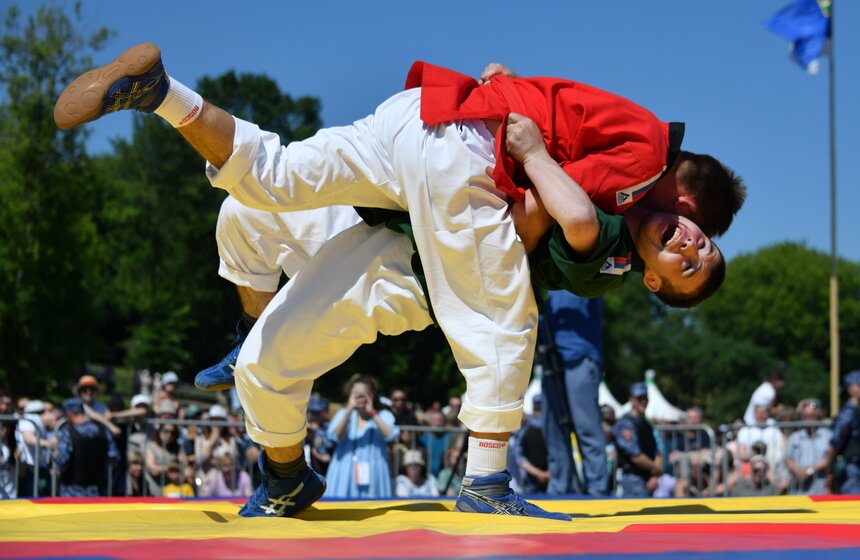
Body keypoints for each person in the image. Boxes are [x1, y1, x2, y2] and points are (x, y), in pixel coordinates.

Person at [55, 47, 741, 520]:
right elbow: (538, 200)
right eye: (699, 238)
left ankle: (167, 97)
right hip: (442, 173)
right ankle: (487, 481)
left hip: (420, 128)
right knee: (503, 321)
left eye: (688, 259)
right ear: (685, 205)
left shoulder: (615, 244)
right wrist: (521, 133)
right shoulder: (636, 165)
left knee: (265, 205)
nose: (687, 240)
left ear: (653, 280)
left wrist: (518, 121)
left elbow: (557, 213)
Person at [539, 291, 607, 497]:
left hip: (580, 354)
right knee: (552, 427)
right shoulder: (552, 278)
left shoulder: (587, 270)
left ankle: (597, 489)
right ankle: (559, 487)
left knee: (586, 426)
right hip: (551, 356)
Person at [325, 374, 398, 499]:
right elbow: (335, 436)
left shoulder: (384, 415)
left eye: (363, 394)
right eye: (356, 394)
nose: (360, 398)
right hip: (344, 470)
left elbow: (390, 435)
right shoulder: (344, 414)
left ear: (372, 394)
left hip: (375, 472)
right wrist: (348, 410)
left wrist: (372, 413)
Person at [53, 397, 120, 497]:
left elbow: (62, 461)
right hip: (98, 490)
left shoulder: (68, 433)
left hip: (71, 490)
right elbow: (114, 457)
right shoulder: (102, 431)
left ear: (69, 414)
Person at [613, 383, 662, 497]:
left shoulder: (646, 424)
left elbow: (656, 451)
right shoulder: (625, 423)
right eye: (639, 398)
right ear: (632, 400)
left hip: (648, 478)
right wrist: (657, 469)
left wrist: (654, 476)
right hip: (633, 478)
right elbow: (636, 456)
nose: (643, 401)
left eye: (645, 398)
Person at [785, 398, 831, 495]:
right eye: (806, 417)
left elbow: (829, 458)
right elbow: (788, 458)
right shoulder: (795, 437)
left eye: (811, 416)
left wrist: (810, 470)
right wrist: (798, 472)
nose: (808, 420)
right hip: (798, 490)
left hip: (820, 488)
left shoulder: (828, 436)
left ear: (818, 416)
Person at [14, 400, 58, 497]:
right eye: (46, 411)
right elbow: (28, 438)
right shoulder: (29, 419)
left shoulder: (33, 420)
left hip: (38, 466)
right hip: (31, 467)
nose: (49, 414)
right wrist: (47, 444)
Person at [828, 371, 860, 494]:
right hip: (852, 467)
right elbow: (835, 442)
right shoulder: (848, 414)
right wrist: (829, 470)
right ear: (851, 390)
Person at [515, 394, 550, 494]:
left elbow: (520, 458)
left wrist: (540, 474)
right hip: (535, 482)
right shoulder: (553, 429)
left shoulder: (525, 430)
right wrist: (542, 474)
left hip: (538, 480)